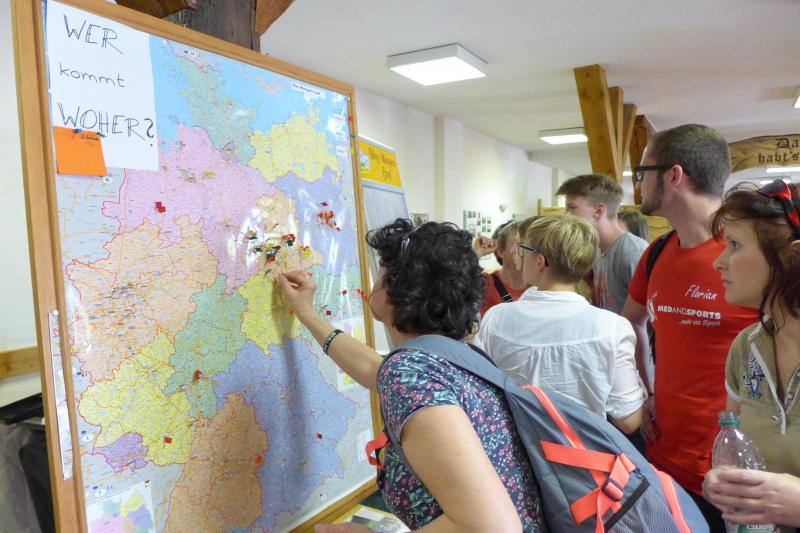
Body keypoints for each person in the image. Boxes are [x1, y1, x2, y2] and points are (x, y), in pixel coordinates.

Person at [279, 218, 546, 533]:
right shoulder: (449, 356)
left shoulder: (411, 375)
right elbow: (373, 369)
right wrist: (307, 313)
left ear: (392, 285)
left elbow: (495, 529)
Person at [620, 124, 759, 529]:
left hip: (736, 470)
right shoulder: (656, 253)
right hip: (664, 458)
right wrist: (643, 388)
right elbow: (631, 323)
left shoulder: (750, 255)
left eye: (642, 172)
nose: (638, 183)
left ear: (673, 175)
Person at [475, 215, 645, 434]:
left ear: (540, 262)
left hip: (511, 447)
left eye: (524, 249)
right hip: (580, 450)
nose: (520, 255)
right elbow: (629, 420)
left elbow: (478, 390)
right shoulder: (612, 328)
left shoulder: (496, 318)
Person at [701, 180, 800, 531]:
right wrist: (723, 479)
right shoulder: (747, 346)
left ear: (792, 257)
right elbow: (736, 438)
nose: (719, 262)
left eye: (735, 245)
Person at [556, 173, 649, 315]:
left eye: (572, 208)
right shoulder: (599, 250)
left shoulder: (635, 254)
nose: (566, 216)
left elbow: (651, 318)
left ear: (598, 211)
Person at [472, 221, 527, 316]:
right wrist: (477, 253)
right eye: (519, 244)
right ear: (500, 251)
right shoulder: (486, 283)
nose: (527, 251)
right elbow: (455, 290)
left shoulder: (540, 285)